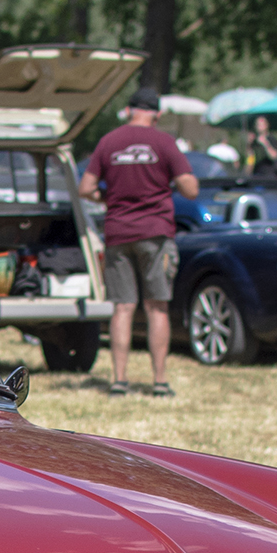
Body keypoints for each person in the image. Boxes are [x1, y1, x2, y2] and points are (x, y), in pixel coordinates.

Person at [79, 86, 198, 397]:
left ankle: (119, 380)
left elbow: (85, 187)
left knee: (122, 307)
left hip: (118, 232)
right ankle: (160, 382)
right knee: (157, 307)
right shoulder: (164, 142)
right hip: (156, 233)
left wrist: (108, 197)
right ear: (157, 114)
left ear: (130, 110)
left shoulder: (109, 141)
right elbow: (190, 190)